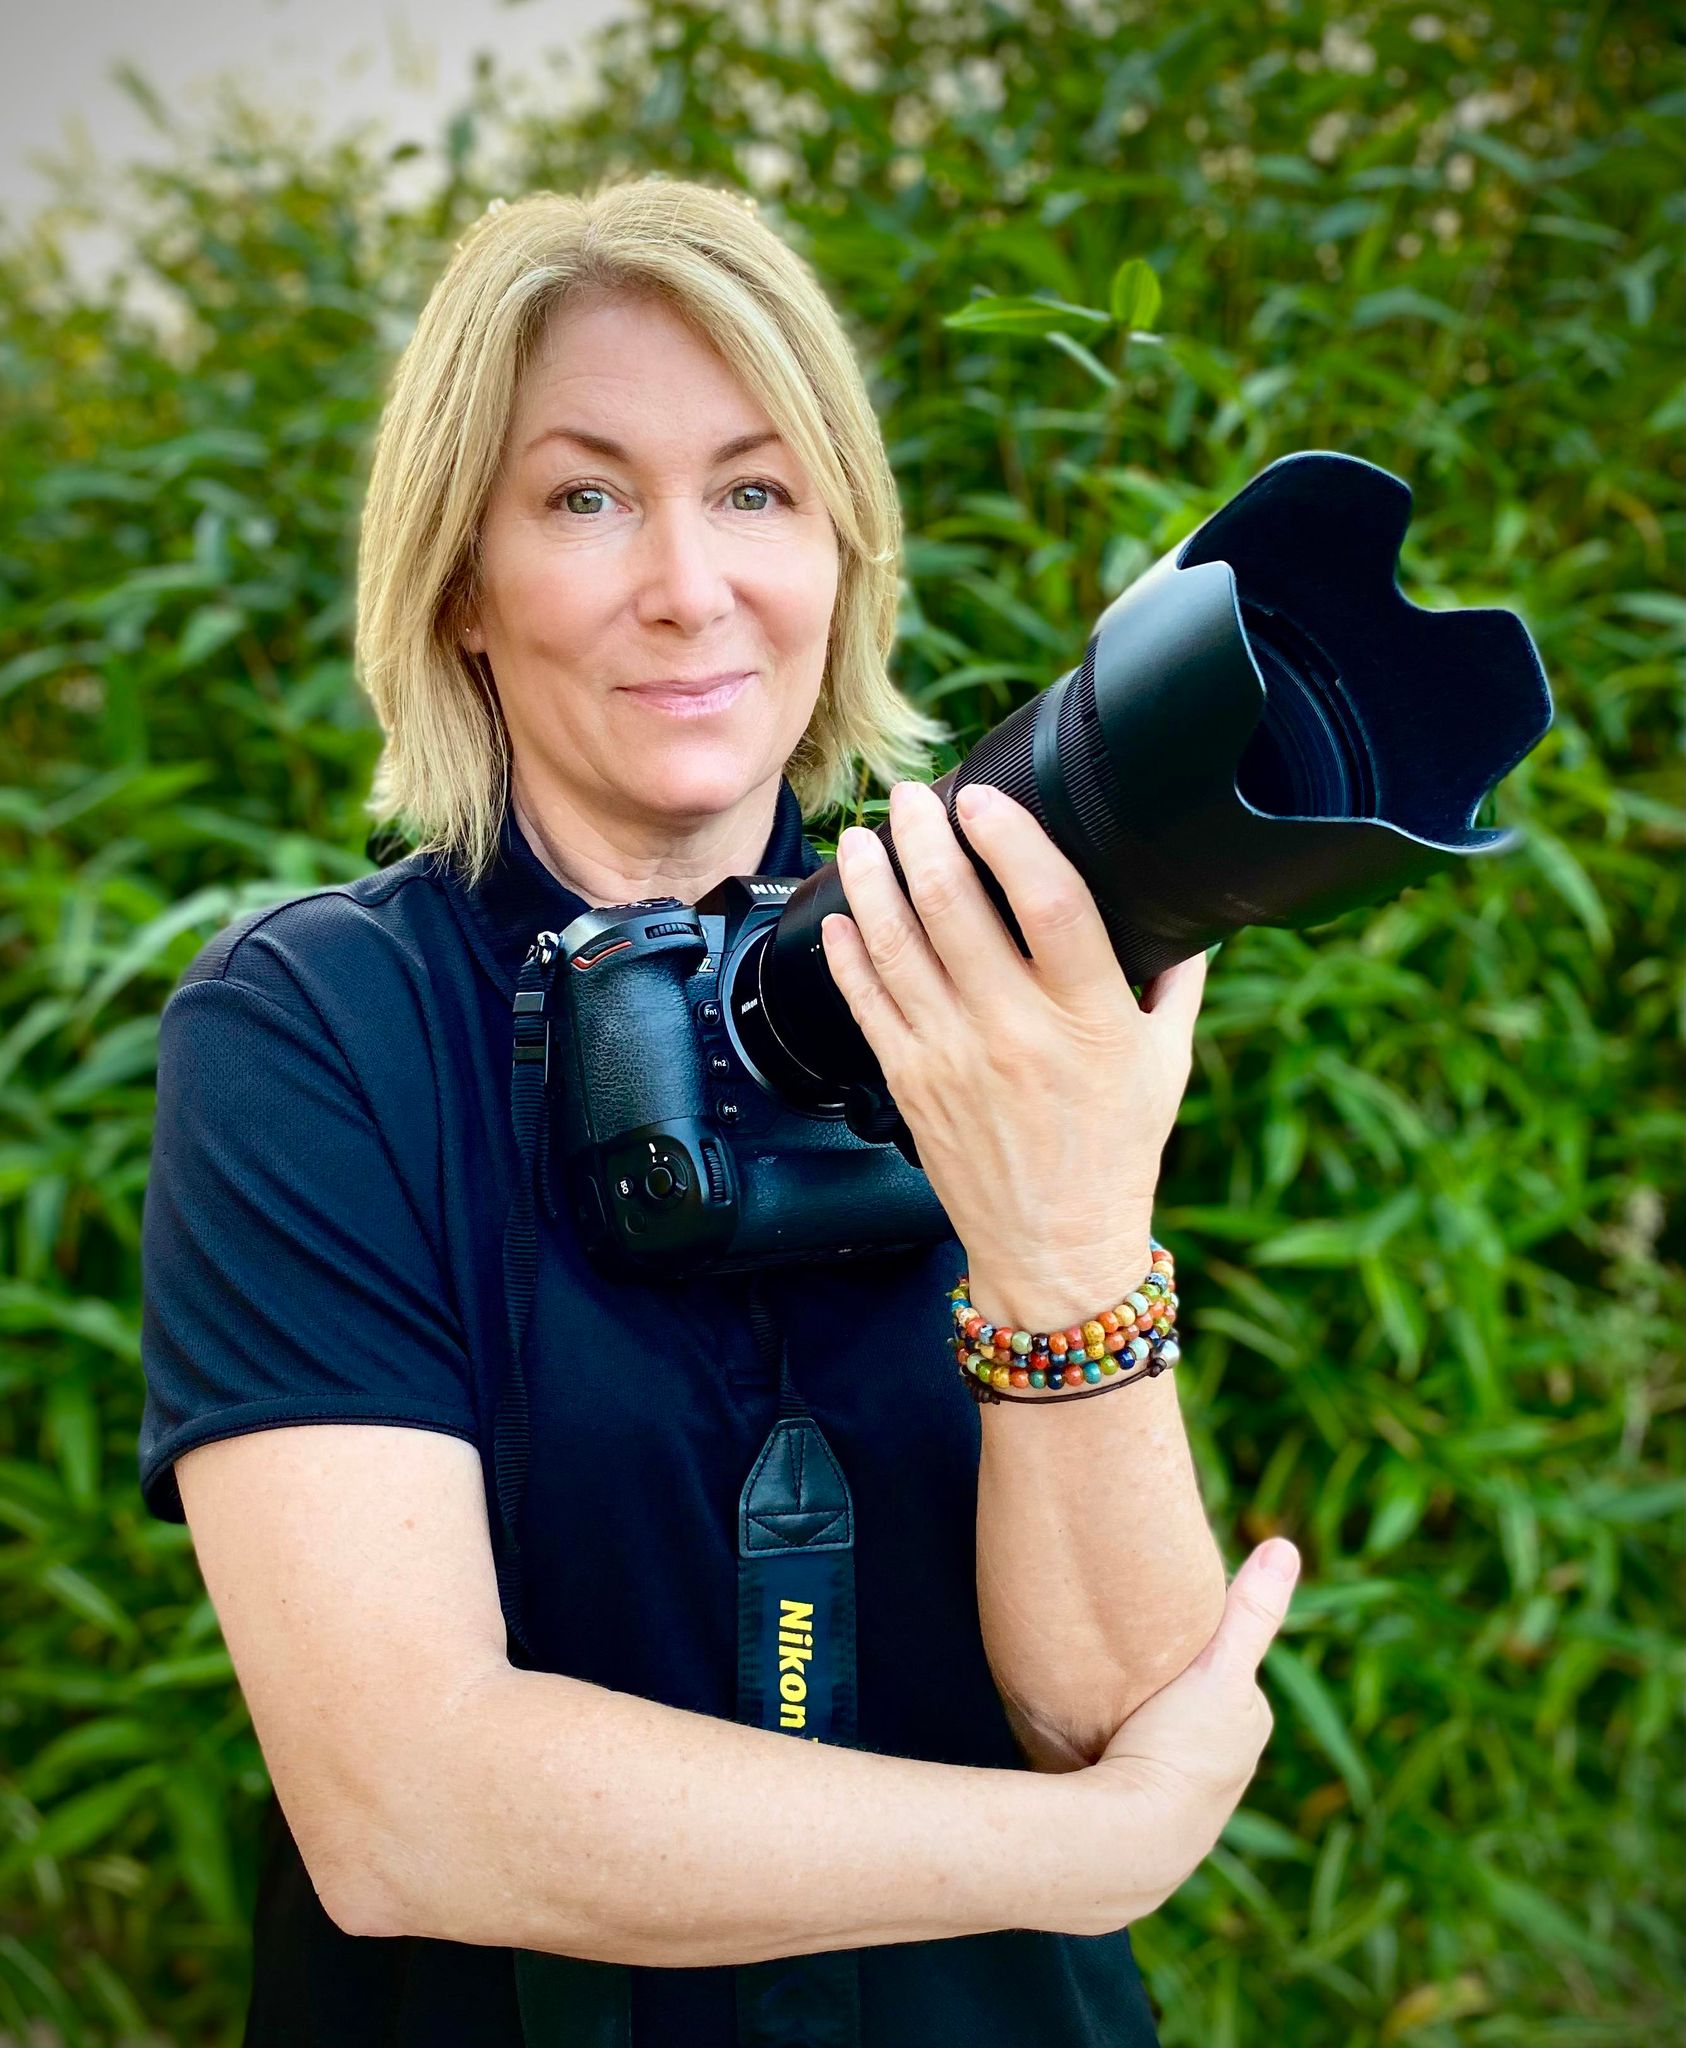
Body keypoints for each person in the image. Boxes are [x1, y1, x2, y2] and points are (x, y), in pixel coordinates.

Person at [137, 176, 1299, 2048]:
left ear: (842, 554)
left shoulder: (988, 992)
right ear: (459, 578)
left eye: (755, 491)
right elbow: (407, 1814)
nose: (690, 582)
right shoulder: (315, 1031)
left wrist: (1066, 1229)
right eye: (585, 496)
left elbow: (1108, 1714)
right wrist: (1073, 1857)